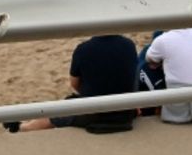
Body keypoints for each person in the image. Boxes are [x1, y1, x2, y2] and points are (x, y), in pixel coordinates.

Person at [9, 33, 138, 133]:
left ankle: (21, 127)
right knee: (67, 104)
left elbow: (74, 84)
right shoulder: (129, 45)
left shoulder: (83, 49)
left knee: (54, 116)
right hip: (125, 111)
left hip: (95, 114)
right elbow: (132, 76)